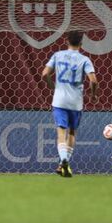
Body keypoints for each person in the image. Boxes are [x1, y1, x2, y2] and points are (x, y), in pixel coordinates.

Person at [41, 30, 98, 177]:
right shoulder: (84, 59)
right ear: (81, 43)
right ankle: (63, 163)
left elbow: (44, 74)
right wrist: (93, 95)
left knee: (61, 132)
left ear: (67, 41)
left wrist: (51, 85)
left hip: (59, 101)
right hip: (75, 103)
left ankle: (63, 160)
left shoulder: (57, 55)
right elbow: (93, 80)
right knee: (72, 132)